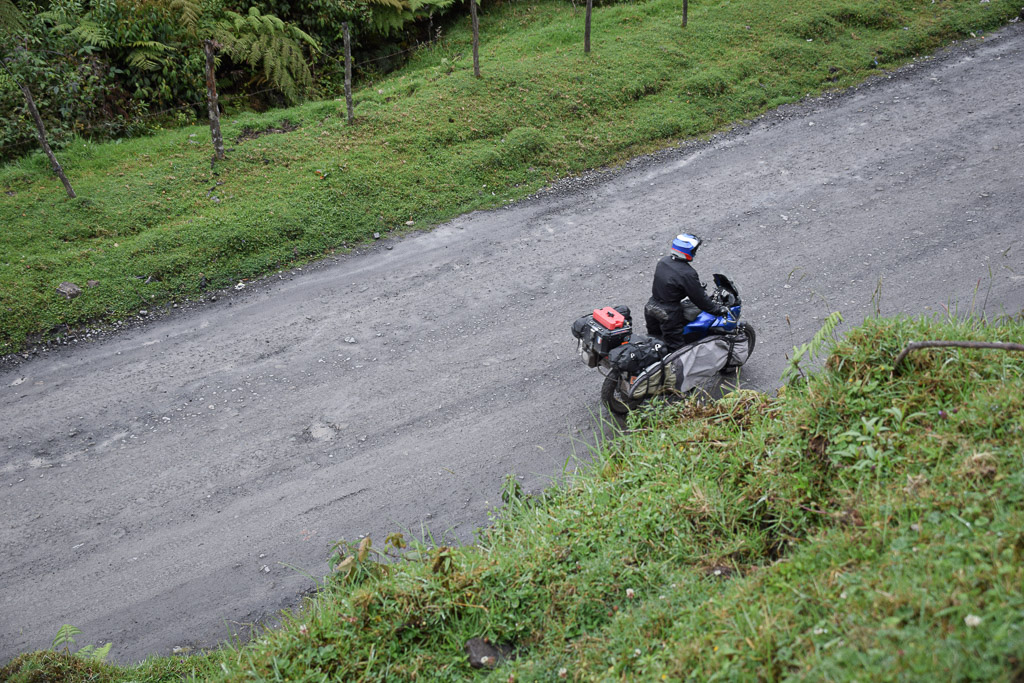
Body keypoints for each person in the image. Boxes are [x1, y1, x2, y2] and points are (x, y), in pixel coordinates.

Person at [644, 233, 731, 350]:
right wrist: (717, 310)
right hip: (668, 313)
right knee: (677, 350)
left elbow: (670, 284)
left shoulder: (663, 262)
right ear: (688, 252)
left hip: (651, 306)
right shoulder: (688, 273)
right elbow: (699, 299)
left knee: (655, 341)